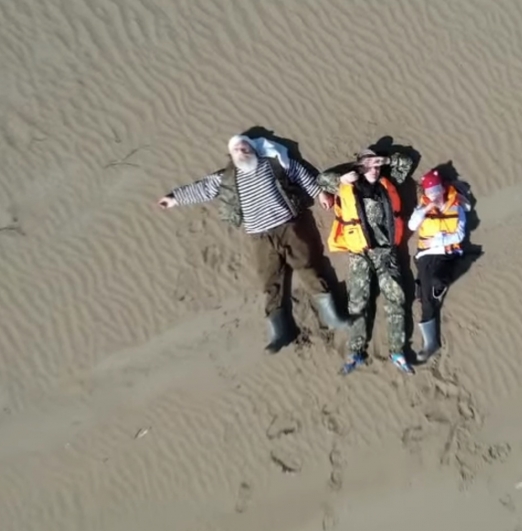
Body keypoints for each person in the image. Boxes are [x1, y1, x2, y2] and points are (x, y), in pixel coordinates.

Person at [157, 134, 351, 352]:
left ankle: (332, 316)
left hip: (289, 226)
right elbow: (203, 189)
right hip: (260, 237)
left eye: (245, 148)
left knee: (310, 267)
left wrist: (320, 193)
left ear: (254, 149)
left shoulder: (272, 163)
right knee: (271, 280)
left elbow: (299, 173)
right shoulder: (228, 178)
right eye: (236, 150)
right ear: (231, 157)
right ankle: (280, 331)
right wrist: (174, 198)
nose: (242, 152)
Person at [320, 148, 416, 375]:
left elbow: (406, 162)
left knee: (396, 298)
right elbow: (322, 179)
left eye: (377, 165)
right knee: (358, 302)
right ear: (360, 167)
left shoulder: (388, 181)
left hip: (386, 253)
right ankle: (356, 351)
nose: (375, 169)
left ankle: (397, 352)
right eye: (370, 165)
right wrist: (344, 176)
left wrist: (386, 159)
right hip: (359, 253)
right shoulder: (345, 184)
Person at [408, 168, 470, 363]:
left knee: (436, 282)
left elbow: (459, 235)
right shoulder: (422, 208)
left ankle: (435, 288)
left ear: (443, 188)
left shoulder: (457, 207)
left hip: (448, 255)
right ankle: (431, 343)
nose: (434, 195)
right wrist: (425, 209)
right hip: (426, 256)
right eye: (430, 191)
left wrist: (438, 240)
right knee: (426, 300)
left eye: (436, 190)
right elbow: (412, 225)